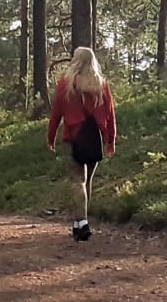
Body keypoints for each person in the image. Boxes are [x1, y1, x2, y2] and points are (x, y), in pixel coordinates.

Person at [46, 46, 117, 240]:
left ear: (76, 60)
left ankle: (82, 222)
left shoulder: (66, 84)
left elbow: (56, 114)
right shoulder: (101, 84)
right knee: (88, 181)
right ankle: (79, 223)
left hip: (73, 137)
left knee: (77, 181)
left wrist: (51, 137)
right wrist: (111, 140)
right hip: (94, 138)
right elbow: (110, 115)